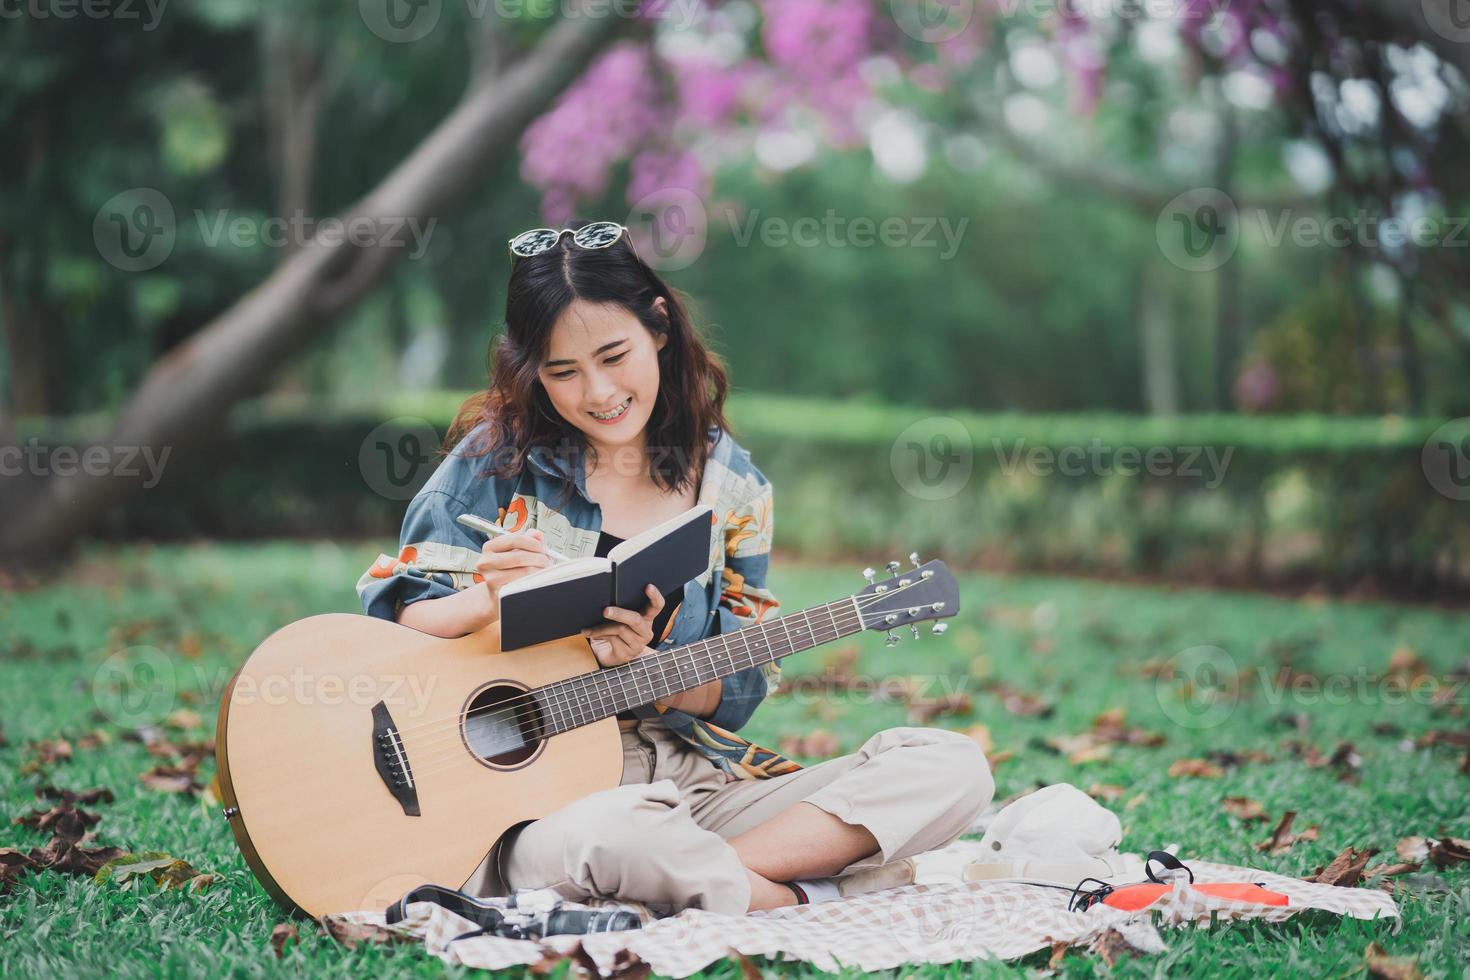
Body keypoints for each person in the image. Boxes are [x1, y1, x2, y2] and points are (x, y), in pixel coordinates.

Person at [357, 220, 994, 917]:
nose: (597, 392)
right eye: (562, 372)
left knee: (951, 767)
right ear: (530, 369)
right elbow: (395, 617)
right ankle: (799, 894)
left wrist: (653, 668)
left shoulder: (734, 486)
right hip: (537, 806)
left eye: (613, 355)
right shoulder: (495, 460)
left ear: (658, 327)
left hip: (691, 784)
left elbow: (740, 693)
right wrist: (483, 599)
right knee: (621, 839)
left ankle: (720, 881)